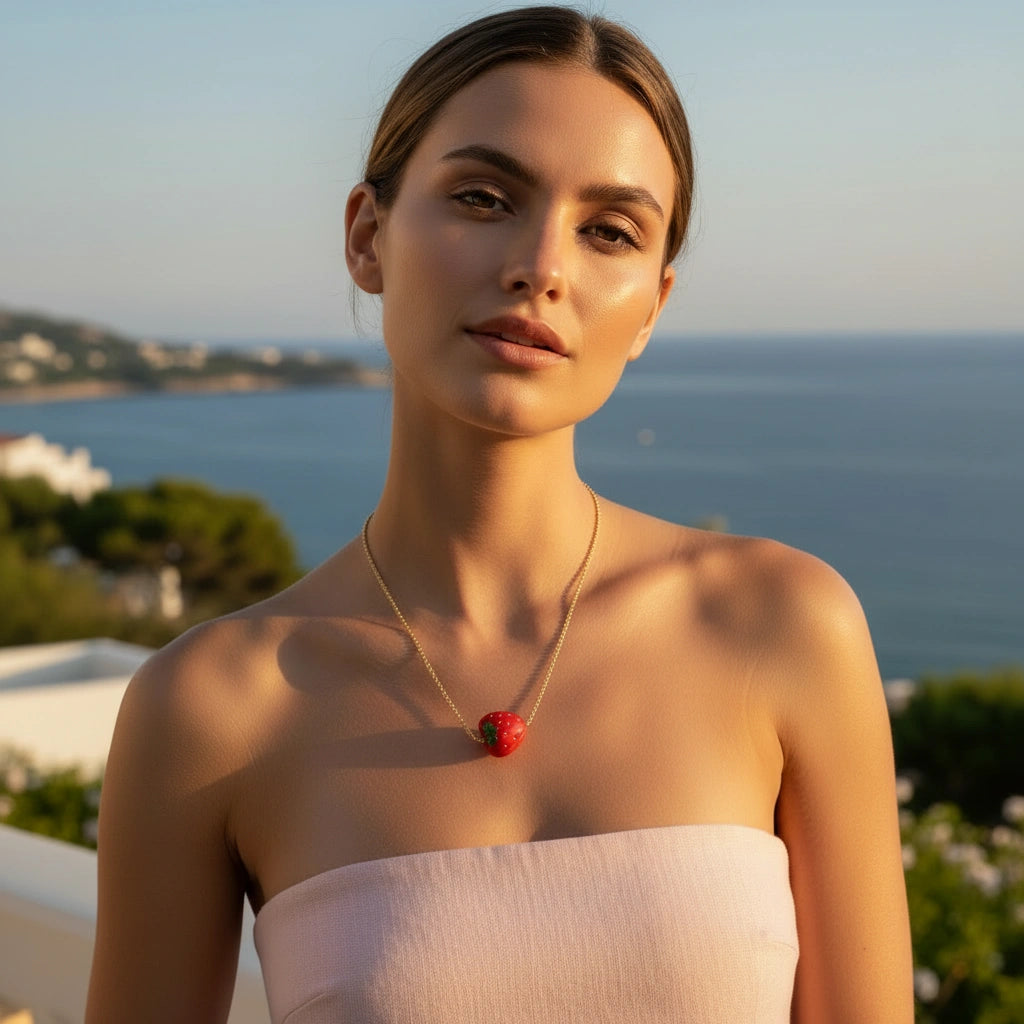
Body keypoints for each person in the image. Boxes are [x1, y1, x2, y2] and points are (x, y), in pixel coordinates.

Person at [86, 6, 913, 1022]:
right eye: (483, 197)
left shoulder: (780, 625)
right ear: (366, 235)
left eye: (608, 231)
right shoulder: (212, 708)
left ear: (650, 305)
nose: (542, 267)